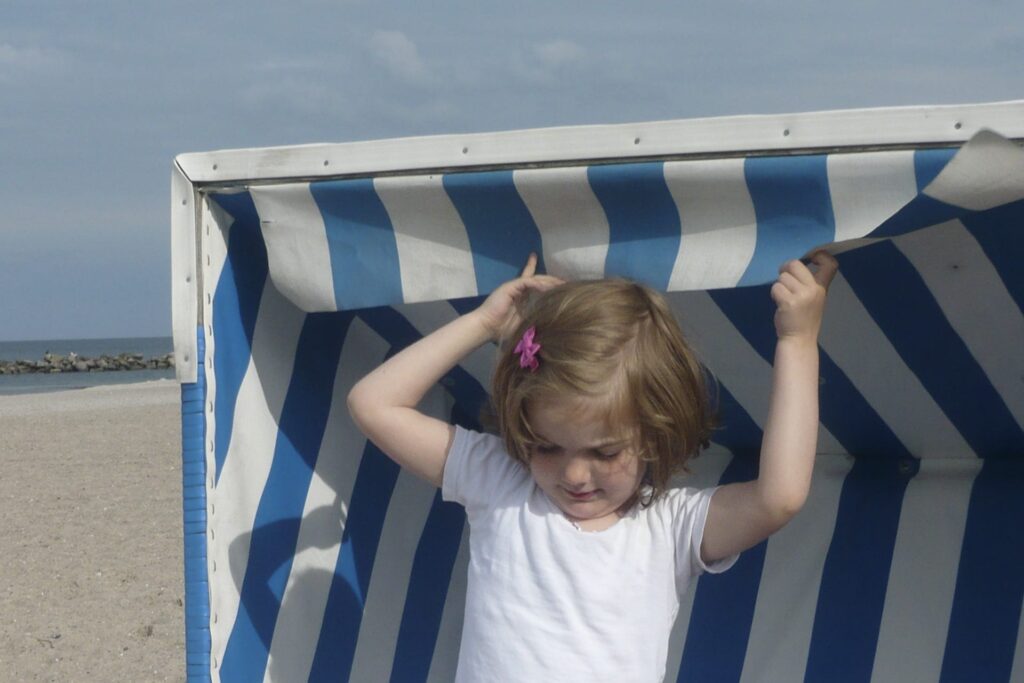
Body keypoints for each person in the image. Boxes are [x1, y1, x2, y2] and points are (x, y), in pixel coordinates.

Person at [348, 251, 838, 681]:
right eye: (545, 447)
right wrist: (483, 323)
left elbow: (780, 497)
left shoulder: (669, 528)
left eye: (604, 452)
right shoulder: (500, 480)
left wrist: (797, 342)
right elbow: (374, 404)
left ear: (654, 435)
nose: (574, 475)